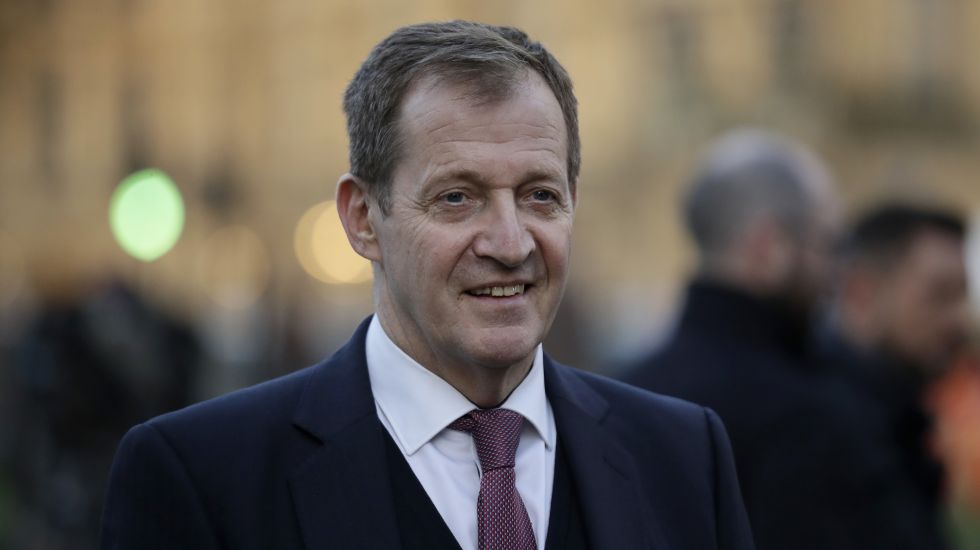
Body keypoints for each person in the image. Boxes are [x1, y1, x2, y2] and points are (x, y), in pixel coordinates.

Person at [100, 21, 754, 550]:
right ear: (363, 219)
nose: (511, 244)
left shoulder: (684, 456)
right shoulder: (202, 475)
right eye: (457, 197)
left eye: (540, 195)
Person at [621, 129, 896, 549]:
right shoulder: (811, 417)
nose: (837, 272)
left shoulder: (621, 394)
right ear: (768, 247)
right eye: (829, 244)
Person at [815, 203, 971, 550]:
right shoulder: (820, 435)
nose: (960, 319)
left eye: (963, 294)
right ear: (861, 292)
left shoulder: (897, 420)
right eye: (940, 294)